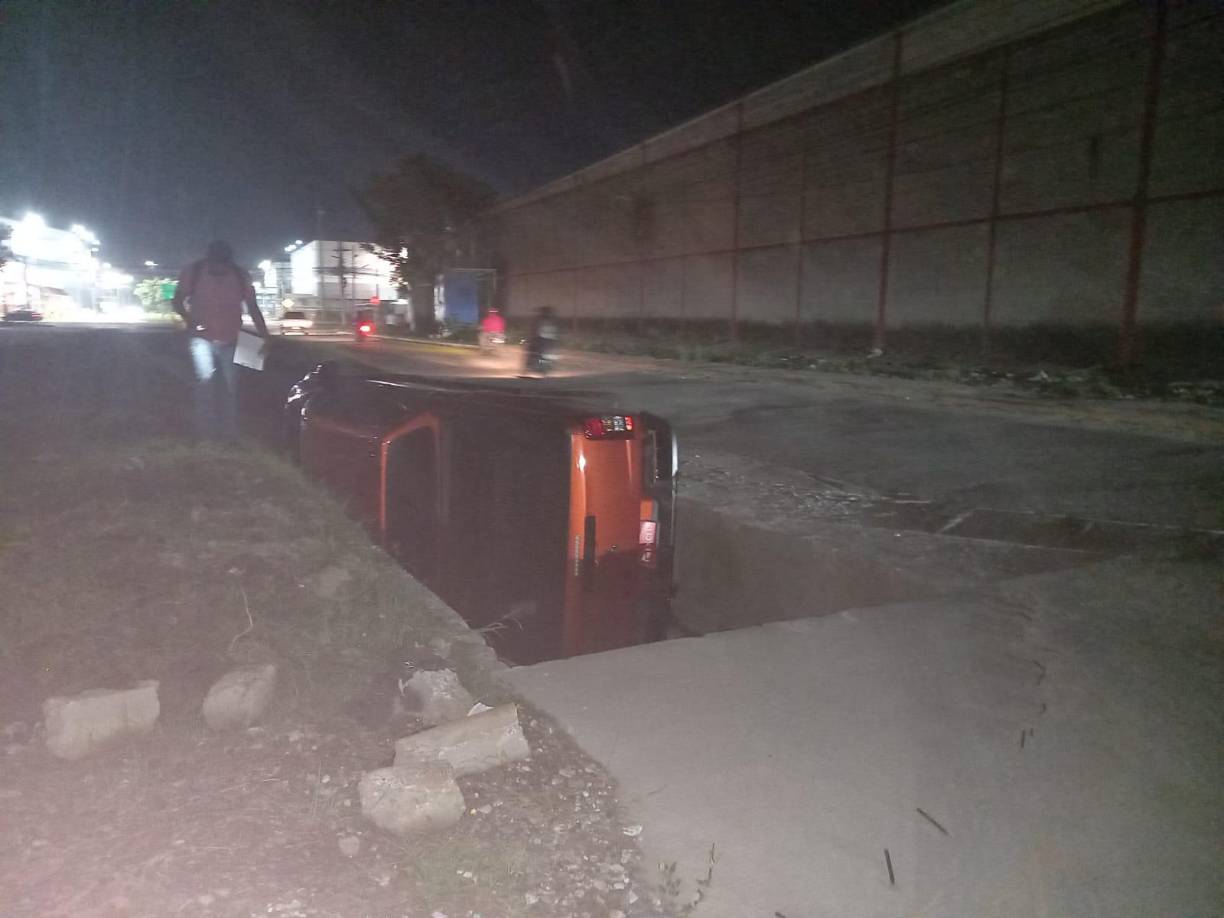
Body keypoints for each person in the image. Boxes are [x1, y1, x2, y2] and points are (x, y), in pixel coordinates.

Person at [172, 240, 268, 440]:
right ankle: (206, 434)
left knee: (231, 387)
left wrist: (265, 336)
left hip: (232, 338)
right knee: (205, 384)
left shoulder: (240, 276)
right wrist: (190, 320)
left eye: (223, 266)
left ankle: (228, 434)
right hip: (201, 338)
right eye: (215, 266)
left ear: (229, 263)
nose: (219, 270)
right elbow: (177, 300)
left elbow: (253, 307)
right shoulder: (195, 272)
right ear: (208, 261)